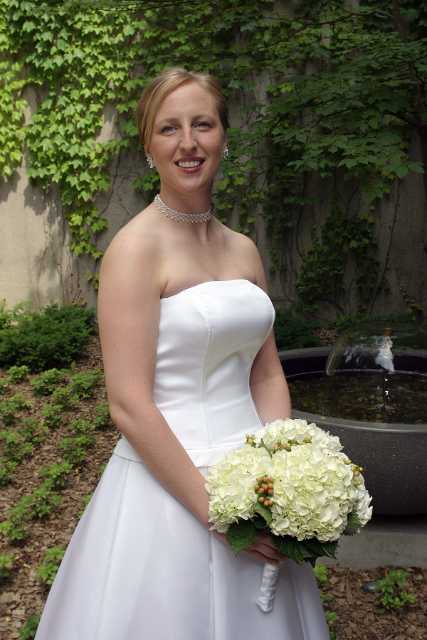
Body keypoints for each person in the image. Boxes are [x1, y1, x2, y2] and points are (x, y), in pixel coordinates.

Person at [34, 67, 329, 639]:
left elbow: (266, 375)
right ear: (148, 146)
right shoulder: (134, 250)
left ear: (224, 136)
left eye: (202, 124)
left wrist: (281, 476)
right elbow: (129, 404)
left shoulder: (244, 250)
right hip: (171, 490)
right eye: (169, 128)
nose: (188, 143)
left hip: (256, 481)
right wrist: (221, 515)